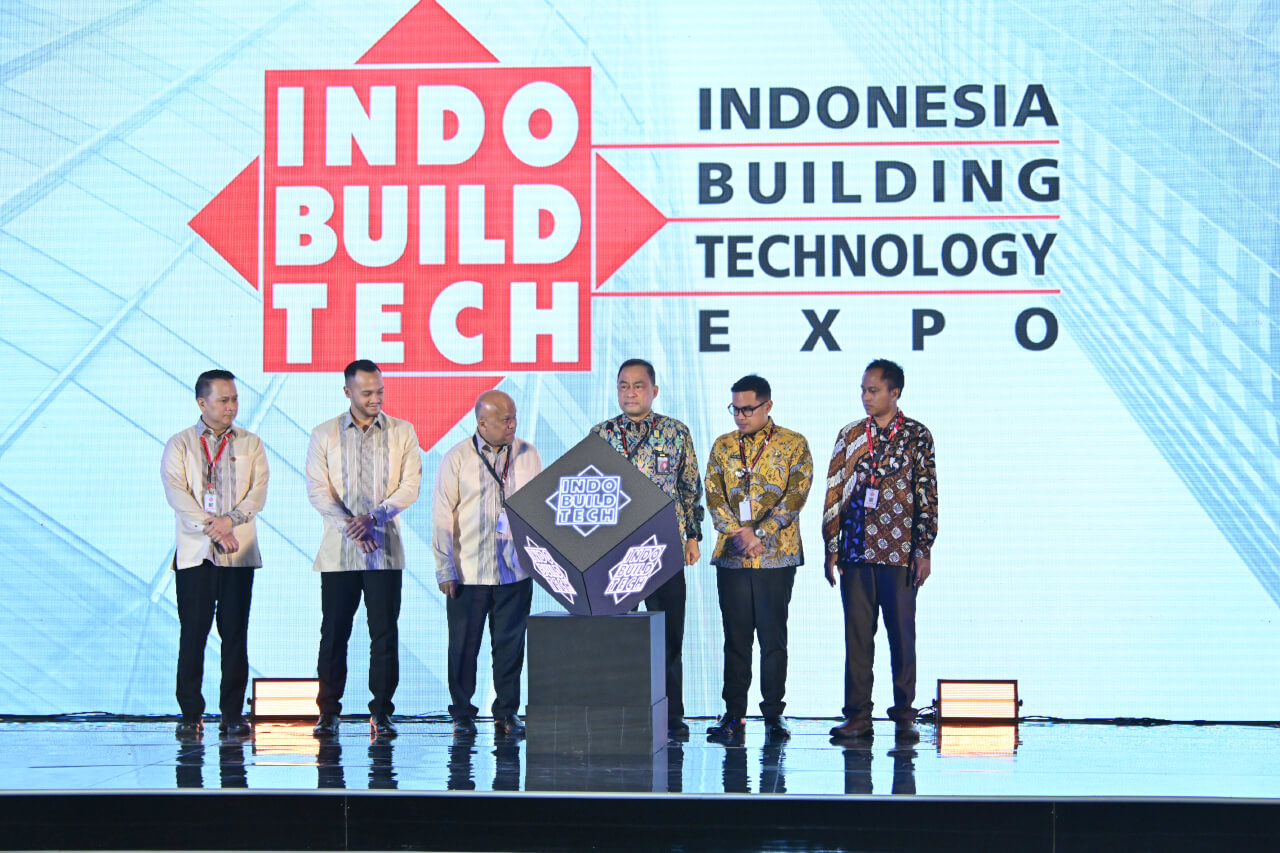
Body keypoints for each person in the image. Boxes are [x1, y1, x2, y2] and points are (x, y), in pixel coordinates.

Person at [822, 359, 937, 743]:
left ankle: (904, 715)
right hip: (855, 550)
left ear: (894, 392)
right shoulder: (851, 434)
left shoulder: (917, 435)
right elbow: (835, 488)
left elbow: (926, 492)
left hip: (899, 552)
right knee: (857, 638)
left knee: (902, 636)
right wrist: (832, 544)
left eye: (873, 390)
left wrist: (923, 548)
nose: (866, 397)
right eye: (863, 390)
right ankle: (858, 716)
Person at [306, 360, 421, 739]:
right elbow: (318, 491)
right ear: (348, 392)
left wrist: (374, 517)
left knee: (384, 634)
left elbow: (409, 487)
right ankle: (328, 712)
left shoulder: (403, 432)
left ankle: (382, 712)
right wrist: (353, 527)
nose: (376, 399)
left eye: (380, 391)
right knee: (334, 633)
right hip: (338, 554)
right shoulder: (324, 434)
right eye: (367, 393)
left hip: (384, 552)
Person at [590, 359, 704, 738]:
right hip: (615, 552)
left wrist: (692, 536)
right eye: (623, 385)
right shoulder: (601, 435)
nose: (630, 393)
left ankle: (671, 715)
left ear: (654, 391)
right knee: (617, 635)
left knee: (668, 635)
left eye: (638, 386)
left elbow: (690, 488)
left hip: (664, 547)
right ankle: (619, 712)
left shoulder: (676, 432)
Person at [161, 370, 269, 739]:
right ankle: (190, 713)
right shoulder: (180, 444)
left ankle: (233, 714)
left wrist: (229, 521)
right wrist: (214, 528)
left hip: (239, 554)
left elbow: (257, 494)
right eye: (223, 400)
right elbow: (177, 494)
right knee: (193, 634)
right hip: (196, 554)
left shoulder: (251, 443)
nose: (231, 407)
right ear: (202, 402)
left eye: (234, 399)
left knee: (235, 635)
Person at [703, 374, 812, 741]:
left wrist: (760, 533)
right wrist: (739, 533)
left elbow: (796, 495)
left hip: (775, 557)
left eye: (748, 409)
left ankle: (774, 715)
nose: (740, 416)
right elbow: (713, 494)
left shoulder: (793, 443)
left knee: (772, 639)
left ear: (768, 406)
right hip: (733, 557)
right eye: (735, 409)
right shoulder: (723, 446)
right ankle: (733, 714)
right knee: (735, 639)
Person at [433, 390, 542, 737]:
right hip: (468, 572)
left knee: (510, 647)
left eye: (514, 418)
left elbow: (539, 508)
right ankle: (462, 714)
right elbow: (441, 516)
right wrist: (445, 568)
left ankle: (506, 713)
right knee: (463, 648)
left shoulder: (528, 454)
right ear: (482, 423)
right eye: (504, 419)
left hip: (515, 570)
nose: (512, 425)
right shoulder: (456, 458)